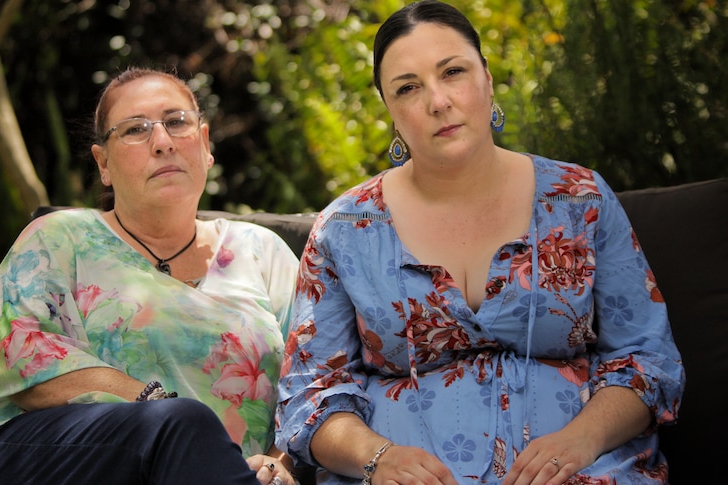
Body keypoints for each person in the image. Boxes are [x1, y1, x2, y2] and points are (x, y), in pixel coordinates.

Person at [275, 2, 684, 484]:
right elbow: (310, 395)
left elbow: (646, 360)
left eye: (453, 72)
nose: (438, 101)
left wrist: (581, 439)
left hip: (584, 471)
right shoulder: (344, 229)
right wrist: (378, 457)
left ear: (487, 78)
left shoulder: (579, 200)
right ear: (389, 110)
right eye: (408, 87)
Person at [0, 66, 300, 485]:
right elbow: (17, 354)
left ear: (205, 145)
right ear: (104, 164)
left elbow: (312, 377)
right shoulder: (63, 238)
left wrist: (279, 464)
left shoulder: (262, 252)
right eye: (135, 129)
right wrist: (153, 405)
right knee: (180, 423)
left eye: (176, 122)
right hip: (45, 458)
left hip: (216, 474)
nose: (163, 142)